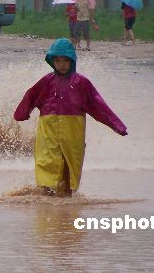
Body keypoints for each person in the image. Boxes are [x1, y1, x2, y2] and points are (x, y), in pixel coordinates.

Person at [13, 38, 128, 197]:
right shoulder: (46, 81)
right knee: (46, 163)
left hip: (73, 134)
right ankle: (45, 199)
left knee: (69, 168)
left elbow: (98, 106)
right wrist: (21, 114)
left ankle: (65, 207)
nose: (61, 64)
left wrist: (117, 126)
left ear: (72, 60)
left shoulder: (82, 83)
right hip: (48, 132)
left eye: (65, 60)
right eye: (57, 60)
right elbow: (30, 97)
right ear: (52, 61)